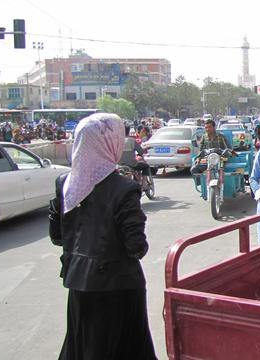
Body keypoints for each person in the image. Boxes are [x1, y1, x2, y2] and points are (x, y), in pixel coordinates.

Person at [49, 113, 156, 359]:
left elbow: (57, 236)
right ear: (111, 142)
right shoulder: (124, 189)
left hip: (78, 283)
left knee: (83, 346)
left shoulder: (65, 183)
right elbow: (136, 247)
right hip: (118, 288)